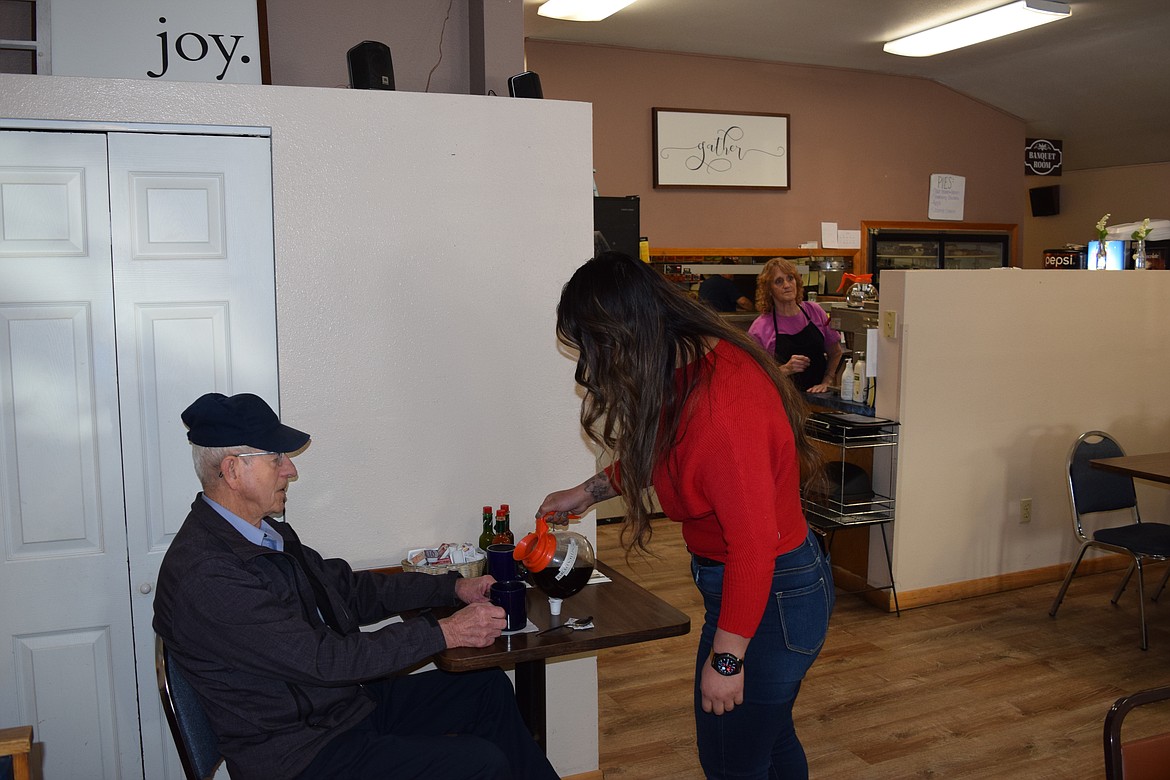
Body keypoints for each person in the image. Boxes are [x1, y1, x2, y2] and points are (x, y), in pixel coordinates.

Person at [153, 392, 558, 780]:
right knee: (479, 764)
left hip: (339, 711)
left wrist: (452, 590)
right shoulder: (209, 576)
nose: (290, 470)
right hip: (300, 757)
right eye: (275, 458)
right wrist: (445, 631)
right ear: (232, 471)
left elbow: (349, 593)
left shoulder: (263, 536)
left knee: (486, 689)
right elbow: (325, 661)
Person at [538, 252, 834, 780]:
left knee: (730, 759)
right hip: (759, 589)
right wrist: (588, 491)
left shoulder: (723, 403)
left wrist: (726, 661)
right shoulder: (688, 364)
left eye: (594, 345)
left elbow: (752, 545)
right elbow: (671, 449)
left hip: (772, 594)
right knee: (768, 738)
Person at [747, 257, 843, 393]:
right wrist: (787, 369)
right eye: (779, 281)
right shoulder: (760, 328)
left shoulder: (815, 311)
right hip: (783, 403)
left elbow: (836, 352)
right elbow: (754, 377)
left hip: (819, 400)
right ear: (769, 290)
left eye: (790, 278)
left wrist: (827, 381)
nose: (787, 285)